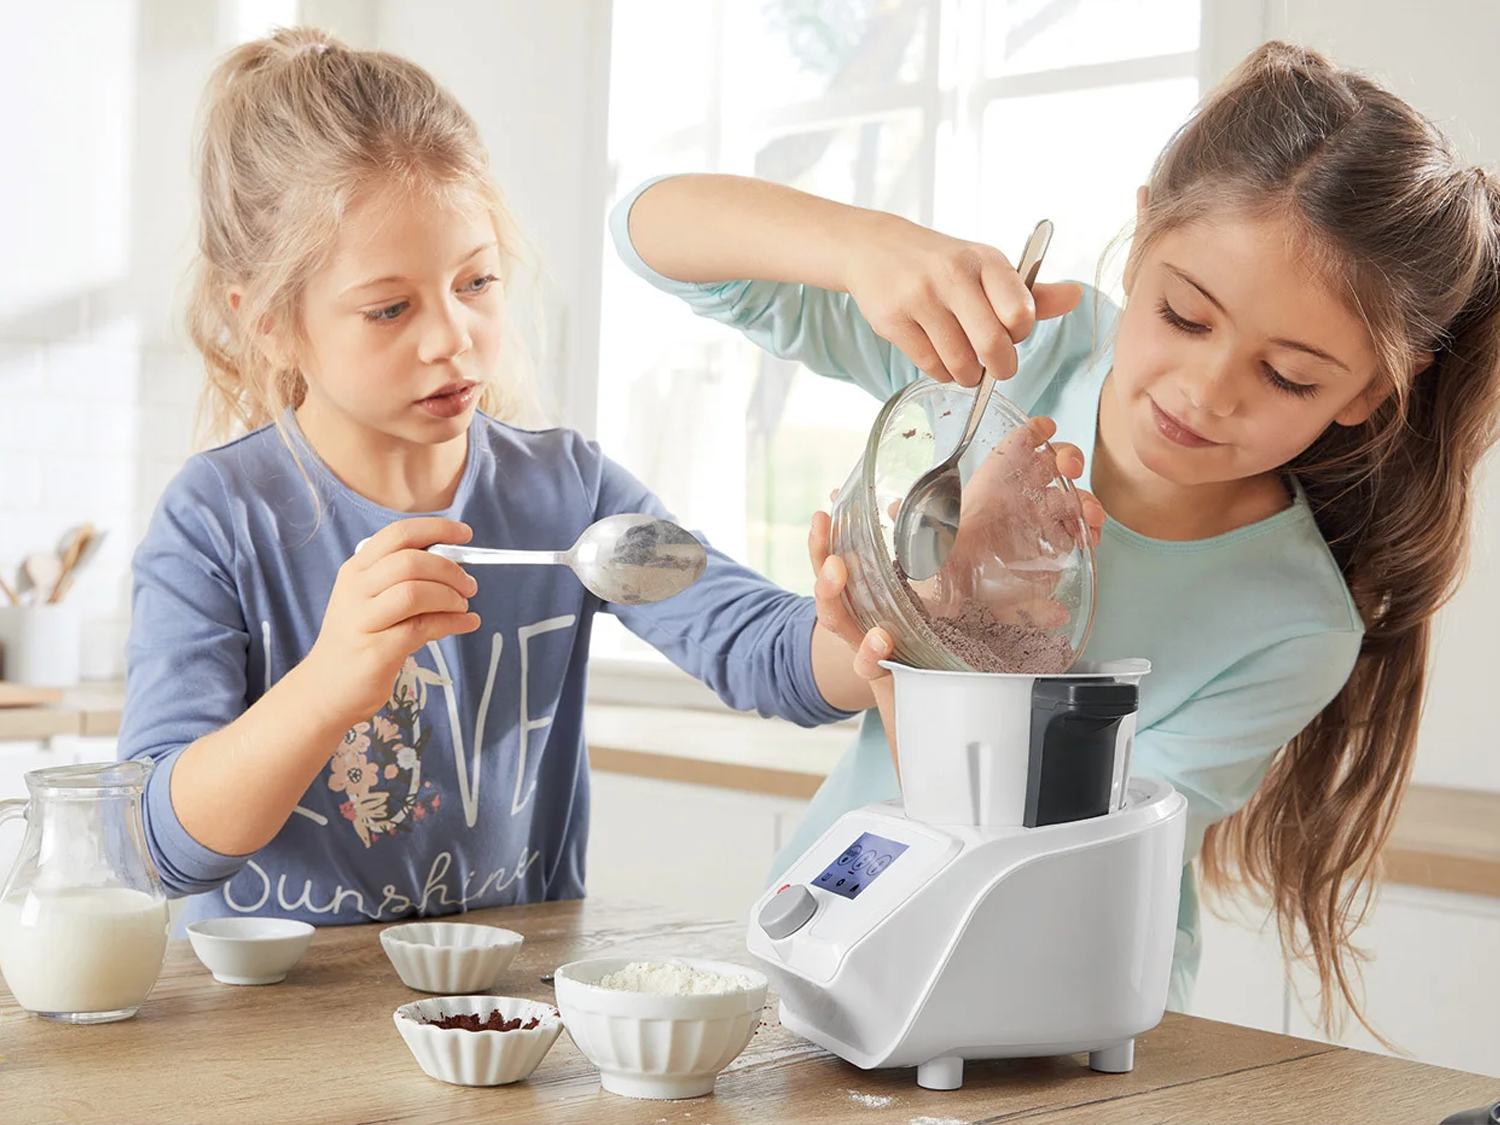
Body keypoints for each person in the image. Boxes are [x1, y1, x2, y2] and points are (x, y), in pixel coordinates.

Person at [612, 40, 1500, 1028]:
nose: (1206, 392)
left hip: (1063, 1013)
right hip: (831, 960)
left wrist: (962, 643)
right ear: (1141, 232)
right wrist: (867, 247)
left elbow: (1075, 872)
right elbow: (646, 231)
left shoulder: (1294, 625)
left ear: (1370, 390)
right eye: (1184, 316)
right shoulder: (1017, 356)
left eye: (1287, 376)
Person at [118, 28, 878, 931]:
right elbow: (154, 846)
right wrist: (327, 685)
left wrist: (877, 620)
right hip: (282, 1011)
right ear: (272, 323)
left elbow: (771, 655)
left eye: (476, 282)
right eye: (389, 308)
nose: (452, 338)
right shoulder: (217, 520)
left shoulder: (568, 493)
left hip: (512, 1002)